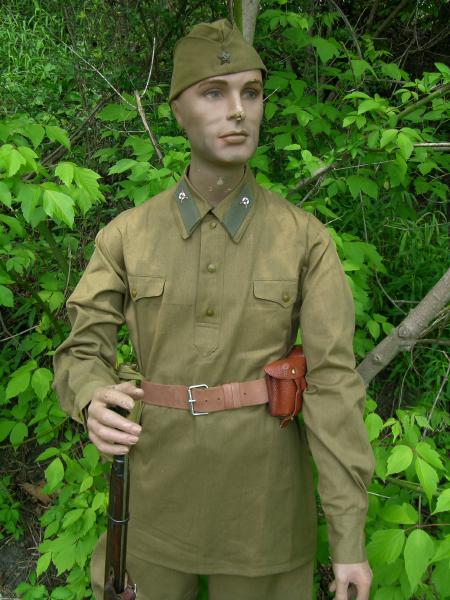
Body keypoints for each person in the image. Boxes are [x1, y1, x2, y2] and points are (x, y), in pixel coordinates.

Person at [53, 19, 374, 600]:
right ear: (178, 111)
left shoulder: (304, 239)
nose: (238, 111)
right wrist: (91, 395)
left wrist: (348, 541)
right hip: (151, 507)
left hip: (265, 517)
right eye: (213, 93)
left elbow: (334, 386)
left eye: (251, 92)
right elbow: (81, 351)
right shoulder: (127, 236)